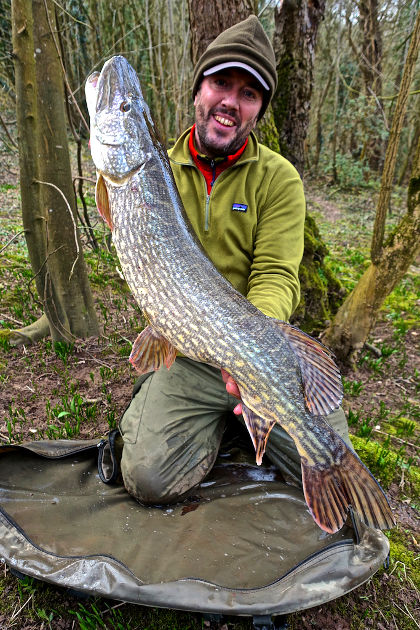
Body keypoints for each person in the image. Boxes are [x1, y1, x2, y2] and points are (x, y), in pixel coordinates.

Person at [118, 15, 351, 504]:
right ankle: (218, 425)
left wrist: (251, 359)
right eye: (221, 82)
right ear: (199, 88)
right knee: (148, 477)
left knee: (333, 460)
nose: (230, 101)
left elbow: (277, 276)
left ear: (259, 110)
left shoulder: (279, 179)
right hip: (186, 351)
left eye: (249, 93)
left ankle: (256, 421)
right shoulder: (152, 172)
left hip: (259, 347)